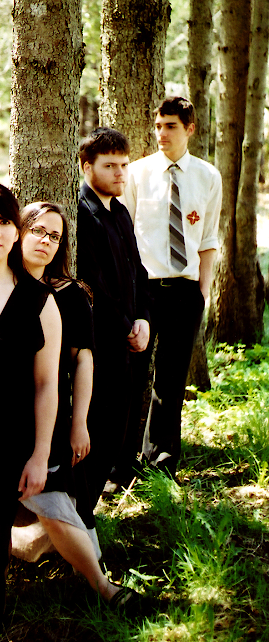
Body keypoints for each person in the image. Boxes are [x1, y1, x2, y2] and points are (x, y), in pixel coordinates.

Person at [20, 201, 146, 611]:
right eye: (37, 230)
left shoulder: (69, 295)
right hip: (0, 419)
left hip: (49, 420)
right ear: (19, 231)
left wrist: (79, 424)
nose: (45, 241)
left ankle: (97, 582)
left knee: (62, 504)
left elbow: (83, 361)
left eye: (55, 236)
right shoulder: (0, 287)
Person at [0, 184, 62, 629]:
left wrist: (40, 454)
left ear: (17, 232)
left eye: (4, 222)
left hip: (5, 455)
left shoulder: (40, 302)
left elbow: (46, 384)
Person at [120, 96, 222, 479]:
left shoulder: (208, 177)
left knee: (172, 379)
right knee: (132, 375)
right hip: (144, 290)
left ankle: (161, 461)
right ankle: (121, 462)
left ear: (190, 128)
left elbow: (208, 239)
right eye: (158, 126)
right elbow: (125, 235)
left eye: (171, 127)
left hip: (185, 290)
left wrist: (202, 293)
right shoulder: (137, 174)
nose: (161, 133)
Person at [76, 128, 151, 513]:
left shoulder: (119, 211)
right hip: (99, 345)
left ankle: (88, 514)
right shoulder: (81, 213)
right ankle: (80, 517)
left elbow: (138, 271)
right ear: (86, 166)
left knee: (117, 430)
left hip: (128, 342)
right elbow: (91, 283)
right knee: (96, 431)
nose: (120, 173)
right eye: (110, 166)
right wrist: (126, 327)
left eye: (124, 165)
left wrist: (143, 318)